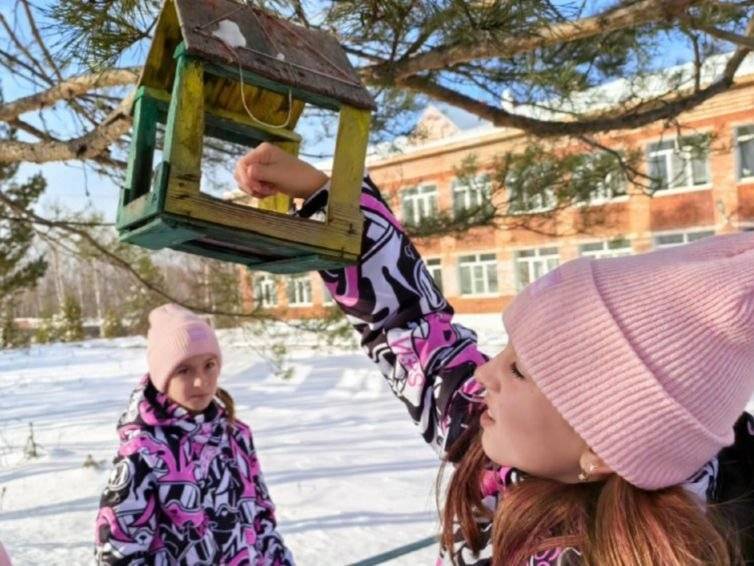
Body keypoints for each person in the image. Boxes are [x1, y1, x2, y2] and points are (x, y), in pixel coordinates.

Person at [235, 142, 754, 565]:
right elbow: (411, 328)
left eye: (520, 370)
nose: (483, 373)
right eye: (505, 354)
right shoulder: (507, 442)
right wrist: (329, 197)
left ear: (602, 449)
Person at [95, 303, 293, 565]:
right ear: (161, 378)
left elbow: (262, 521)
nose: (201, 381)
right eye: (184, 370)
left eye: (209, 365)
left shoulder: (236, 436)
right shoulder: (143, 453)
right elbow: (118, 555)